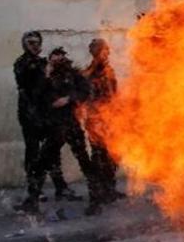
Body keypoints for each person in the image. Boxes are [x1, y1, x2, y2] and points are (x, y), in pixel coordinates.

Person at [18, 48, 104, 215]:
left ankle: (96, 200)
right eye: (55, 56)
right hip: (53, 127)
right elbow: (35, 95)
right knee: (41, 164)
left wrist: (69, 98)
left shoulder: (74, 75)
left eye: (61, 55)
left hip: (71, 124)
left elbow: (85, 92)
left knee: (84, 161)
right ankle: (32, 201)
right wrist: (46, 75)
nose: (59, 58)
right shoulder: (44, 77)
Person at [13, 31, 80, 203]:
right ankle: (34, 190)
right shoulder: (22, 64)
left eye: (37, 42)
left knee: (52, 151)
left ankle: (60, 187)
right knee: (33, 152)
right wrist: (47, 72)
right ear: (24, 45)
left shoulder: (44, 63)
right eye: (30, 42)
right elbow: (32, 88)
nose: (34, 46)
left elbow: (55, 84)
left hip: (47, 115)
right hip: (30, 116)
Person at [81, 38, 123, 204]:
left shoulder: (109, 70)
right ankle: (96, 195)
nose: (108, 53)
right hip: (96, 121)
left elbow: (114, 94)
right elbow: (89, 100)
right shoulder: (90, 73)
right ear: (96, 52)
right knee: (98, 157)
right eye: (104, 50)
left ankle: (109, 189)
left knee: (112, 156)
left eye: (108, 50)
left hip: (110, 119)